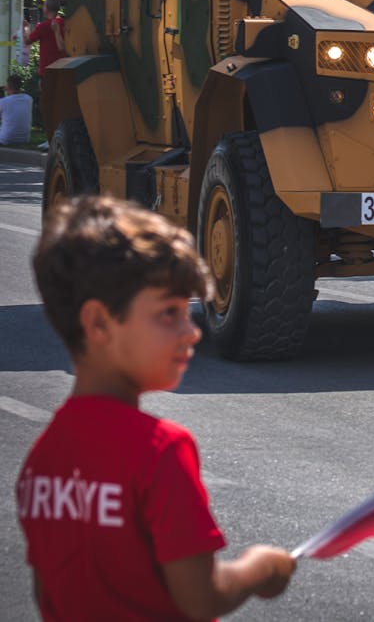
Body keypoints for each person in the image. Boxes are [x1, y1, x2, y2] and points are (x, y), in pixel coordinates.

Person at [16, 195, 296, 621]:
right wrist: (261, 568)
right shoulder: (160, 450)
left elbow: (48, 596)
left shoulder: (43, 457)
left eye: (188, 312)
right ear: (99, 324)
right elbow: (202, 597)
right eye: (169, 313)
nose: (191, 332)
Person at [24, 0, 66, 77]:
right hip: (63, 68)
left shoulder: (43, 26)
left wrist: (25, 28)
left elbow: (27, 41)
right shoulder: (64, 23)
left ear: (46, 8)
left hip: (47, 70)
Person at [0, 74, 33, 146]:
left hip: (6, 140)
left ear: (8, 86)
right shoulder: (29, 99)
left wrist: (1, 95)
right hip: (25, 139)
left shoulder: (3, 102)